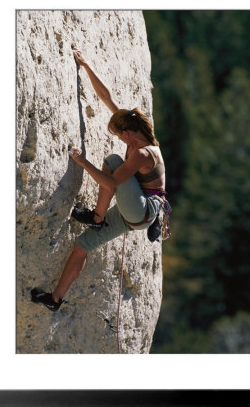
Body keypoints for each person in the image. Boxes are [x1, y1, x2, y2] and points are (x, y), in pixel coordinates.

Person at [31, 47, 168, 311]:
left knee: (112, 161)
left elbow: (111, 183)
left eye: (119, 135)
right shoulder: (133, 132)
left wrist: (81, 161)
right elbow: (107, 98)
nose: (118, 138)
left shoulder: (141, 154)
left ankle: (97, 217)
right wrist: (86, 65)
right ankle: (55, 299)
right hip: (136, 214)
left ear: (128, 133)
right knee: (82, 245)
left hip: (142, 209)